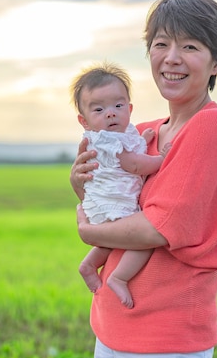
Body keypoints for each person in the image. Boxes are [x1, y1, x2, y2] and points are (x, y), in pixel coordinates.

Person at [70, 0, 217, 357]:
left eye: (190, 46)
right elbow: (113, 200)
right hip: (112, 326)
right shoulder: (140, 133)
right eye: (161, 44)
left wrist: (88, 231)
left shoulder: (212, 127)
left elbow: (158, 228)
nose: (172, 58)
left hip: (166, 338)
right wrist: (80, 186)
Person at [70, 61, 169, 309]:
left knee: (110, 241)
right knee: (142, 243)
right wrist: (161, 160)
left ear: (129, 108)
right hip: (116, 203)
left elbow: (132, 146)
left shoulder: (118, 135)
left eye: (118, 105)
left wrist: (143, 139)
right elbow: (134, 164)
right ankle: (119, 277)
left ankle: (89, 265)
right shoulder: (106, 140)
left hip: (102, 205)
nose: (111, 113)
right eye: (99, 109)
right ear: (84, 121)